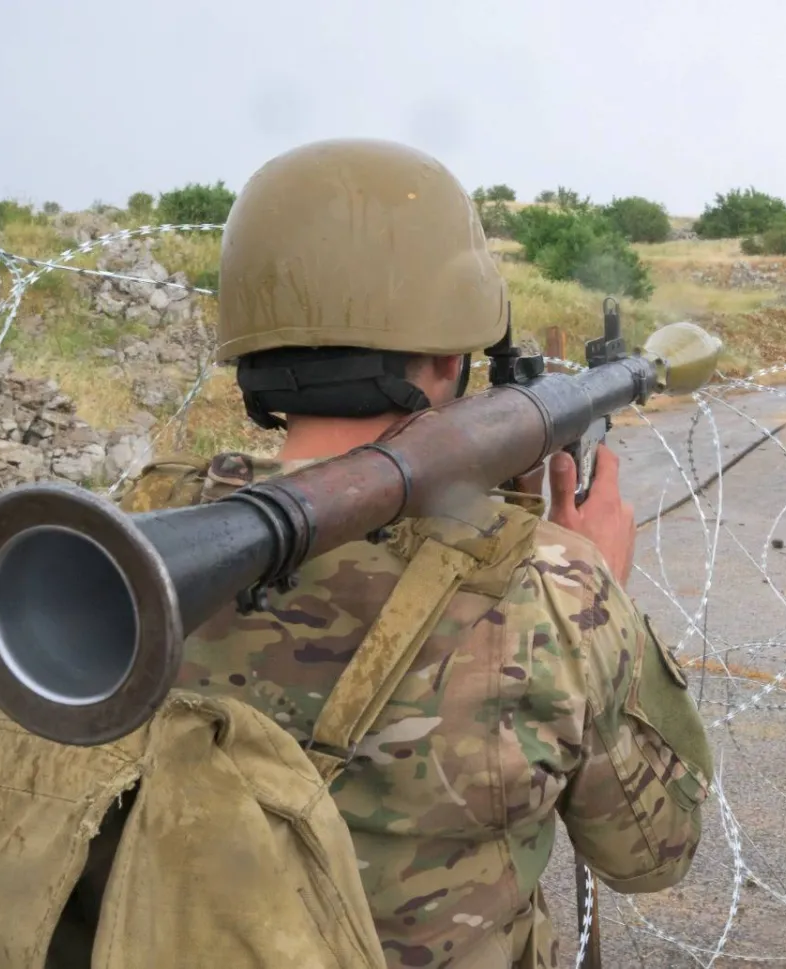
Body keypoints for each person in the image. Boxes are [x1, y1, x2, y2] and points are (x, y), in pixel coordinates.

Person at [117, 137, 712, 968]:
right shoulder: (554, 590)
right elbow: (653, 852)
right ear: (447, 351)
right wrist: (603, 595)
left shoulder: (143, 530)